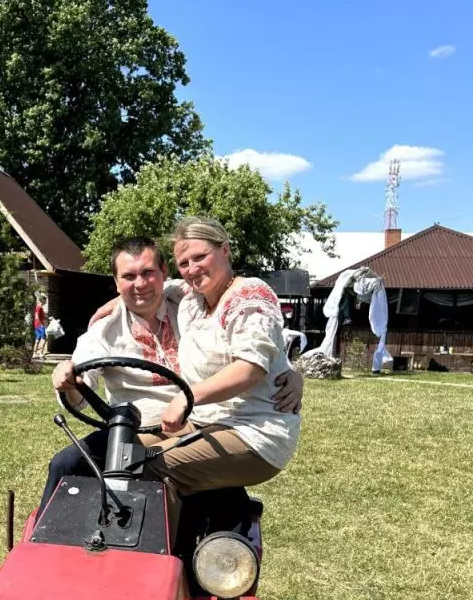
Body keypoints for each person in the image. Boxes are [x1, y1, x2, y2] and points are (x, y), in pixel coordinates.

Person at [37, 235, 301, 516]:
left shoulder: (189, 304)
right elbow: (80, 395)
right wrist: (68, 384)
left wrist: (291, 373)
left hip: (202, 420)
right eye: (128, 277)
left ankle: (174, 552)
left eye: (148, 273)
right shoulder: (102, 332)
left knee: (161, 474)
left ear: (164, 273)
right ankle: (47, 546)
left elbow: (255, 340)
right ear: (115, 283)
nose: (140, 284)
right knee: (69, 462)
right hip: (141, 429)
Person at [140, 216, 301, 495]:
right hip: (205, 422)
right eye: (183, 263)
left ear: (224, 249)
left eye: (200, 257)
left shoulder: (250, 295)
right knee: (122, 450)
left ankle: (161, 540)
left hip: (254, 431)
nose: (191, 269)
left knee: (148, 466)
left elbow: (251, 368)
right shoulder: (192, 298)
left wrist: (185, 398)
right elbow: (142, 289)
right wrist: (108, 308)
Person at [32, 294, 48, 359]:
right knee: (44, 338)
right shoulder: (39, 307)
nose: (46, 301)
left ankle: (34, 353)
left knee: (37, 339)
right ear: (42, 300)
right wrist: (41, 324)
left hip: (36, 325)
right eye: (45, 300)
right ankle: (41, 353)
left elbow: (41, 317)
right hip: (40, 325)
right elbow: (37, 316)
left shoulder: (38, 307)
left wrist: (47, 319)